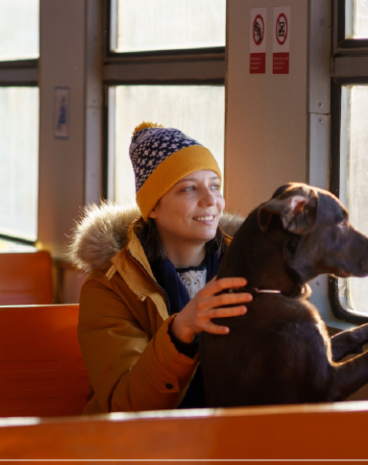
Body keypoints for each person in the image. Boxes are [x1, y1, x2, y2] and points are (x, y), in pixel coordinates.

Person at [68, 123, 250, 414]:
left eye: (215, 186)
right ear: (153, 207)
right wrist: (180, 330)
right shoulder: (110, 287)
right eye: (189, 188)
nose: (211, 200)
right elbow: (126, 404)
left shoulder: (250, 266)